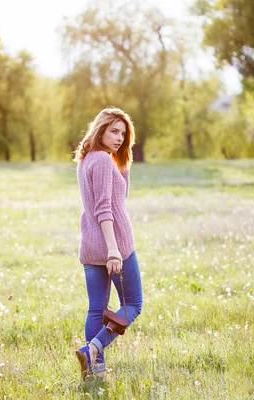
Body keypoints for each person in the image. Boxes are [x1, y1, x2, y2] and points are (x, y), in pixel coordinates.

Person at [73, 107, 143, 380]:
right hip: (115, 246)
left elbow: (119, 195)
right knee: (133, 303)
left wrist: (123, 161)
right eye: (114, 131)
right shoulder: (102, 160)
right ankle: (94, 348)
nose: (119, 138)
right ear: (99, 129)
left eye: (123, 134)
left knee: (96, 309)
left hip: (91, 245)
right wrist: (114, 250)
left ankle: (96, 371)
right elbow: (105, 208)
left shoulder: (88, 159)